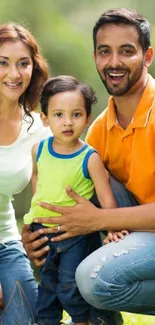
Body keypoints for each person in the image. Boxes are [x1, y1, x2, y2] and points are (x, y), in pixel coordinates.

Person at [21, 6, 155, 322]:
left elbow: (98, 218)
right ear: (95, 57)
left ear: (147, 57)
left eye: (127, 51)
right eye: (104, 52)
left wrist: (98, 220)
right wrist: (39, 230)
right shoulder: (96, 131)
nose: (114, 62)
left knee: (94, 280)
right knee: (86, 181)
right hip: (139, 230)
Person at [23, 75, 119, 325]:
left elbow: (105, 197)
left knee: (71, 286)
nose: (67, 122)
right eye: (58, 115)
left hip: (77, 235)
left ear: (87, 117)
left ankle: (83, 321)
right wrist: (35, 211)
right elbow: (37, 176)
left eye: (76, 115)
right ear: (45, 118)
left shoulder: (90, 158)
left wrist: (112, 229)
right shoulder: (40, 149)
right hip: (44, 231)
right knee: (47, 286)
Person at [0, 22, 51, 324]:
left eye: (23, 64)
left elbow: (47, 197)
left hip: (5, 242)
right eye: (2, 63)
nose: (14, 74)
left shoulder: (38, 129)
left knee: (23, 318)